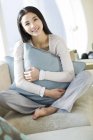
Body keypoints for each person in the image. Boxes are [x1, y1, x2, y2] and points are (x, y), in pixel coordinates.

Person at [0, 6, 93, 120]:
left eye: (35, 19)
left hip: (61, 93)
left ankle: (52, 108)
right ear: (23, 28)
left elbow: (69, 74)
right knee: (3, 97)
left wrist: (40, 75)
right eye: (27, 23)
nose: (33, 26)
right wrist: (47, 92)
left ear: (41, 19)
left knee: (87, 76)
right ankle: (46, 106)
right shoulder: (20, 46)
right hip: (33, 98)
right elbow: (19, 82)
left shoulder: (57, 41)